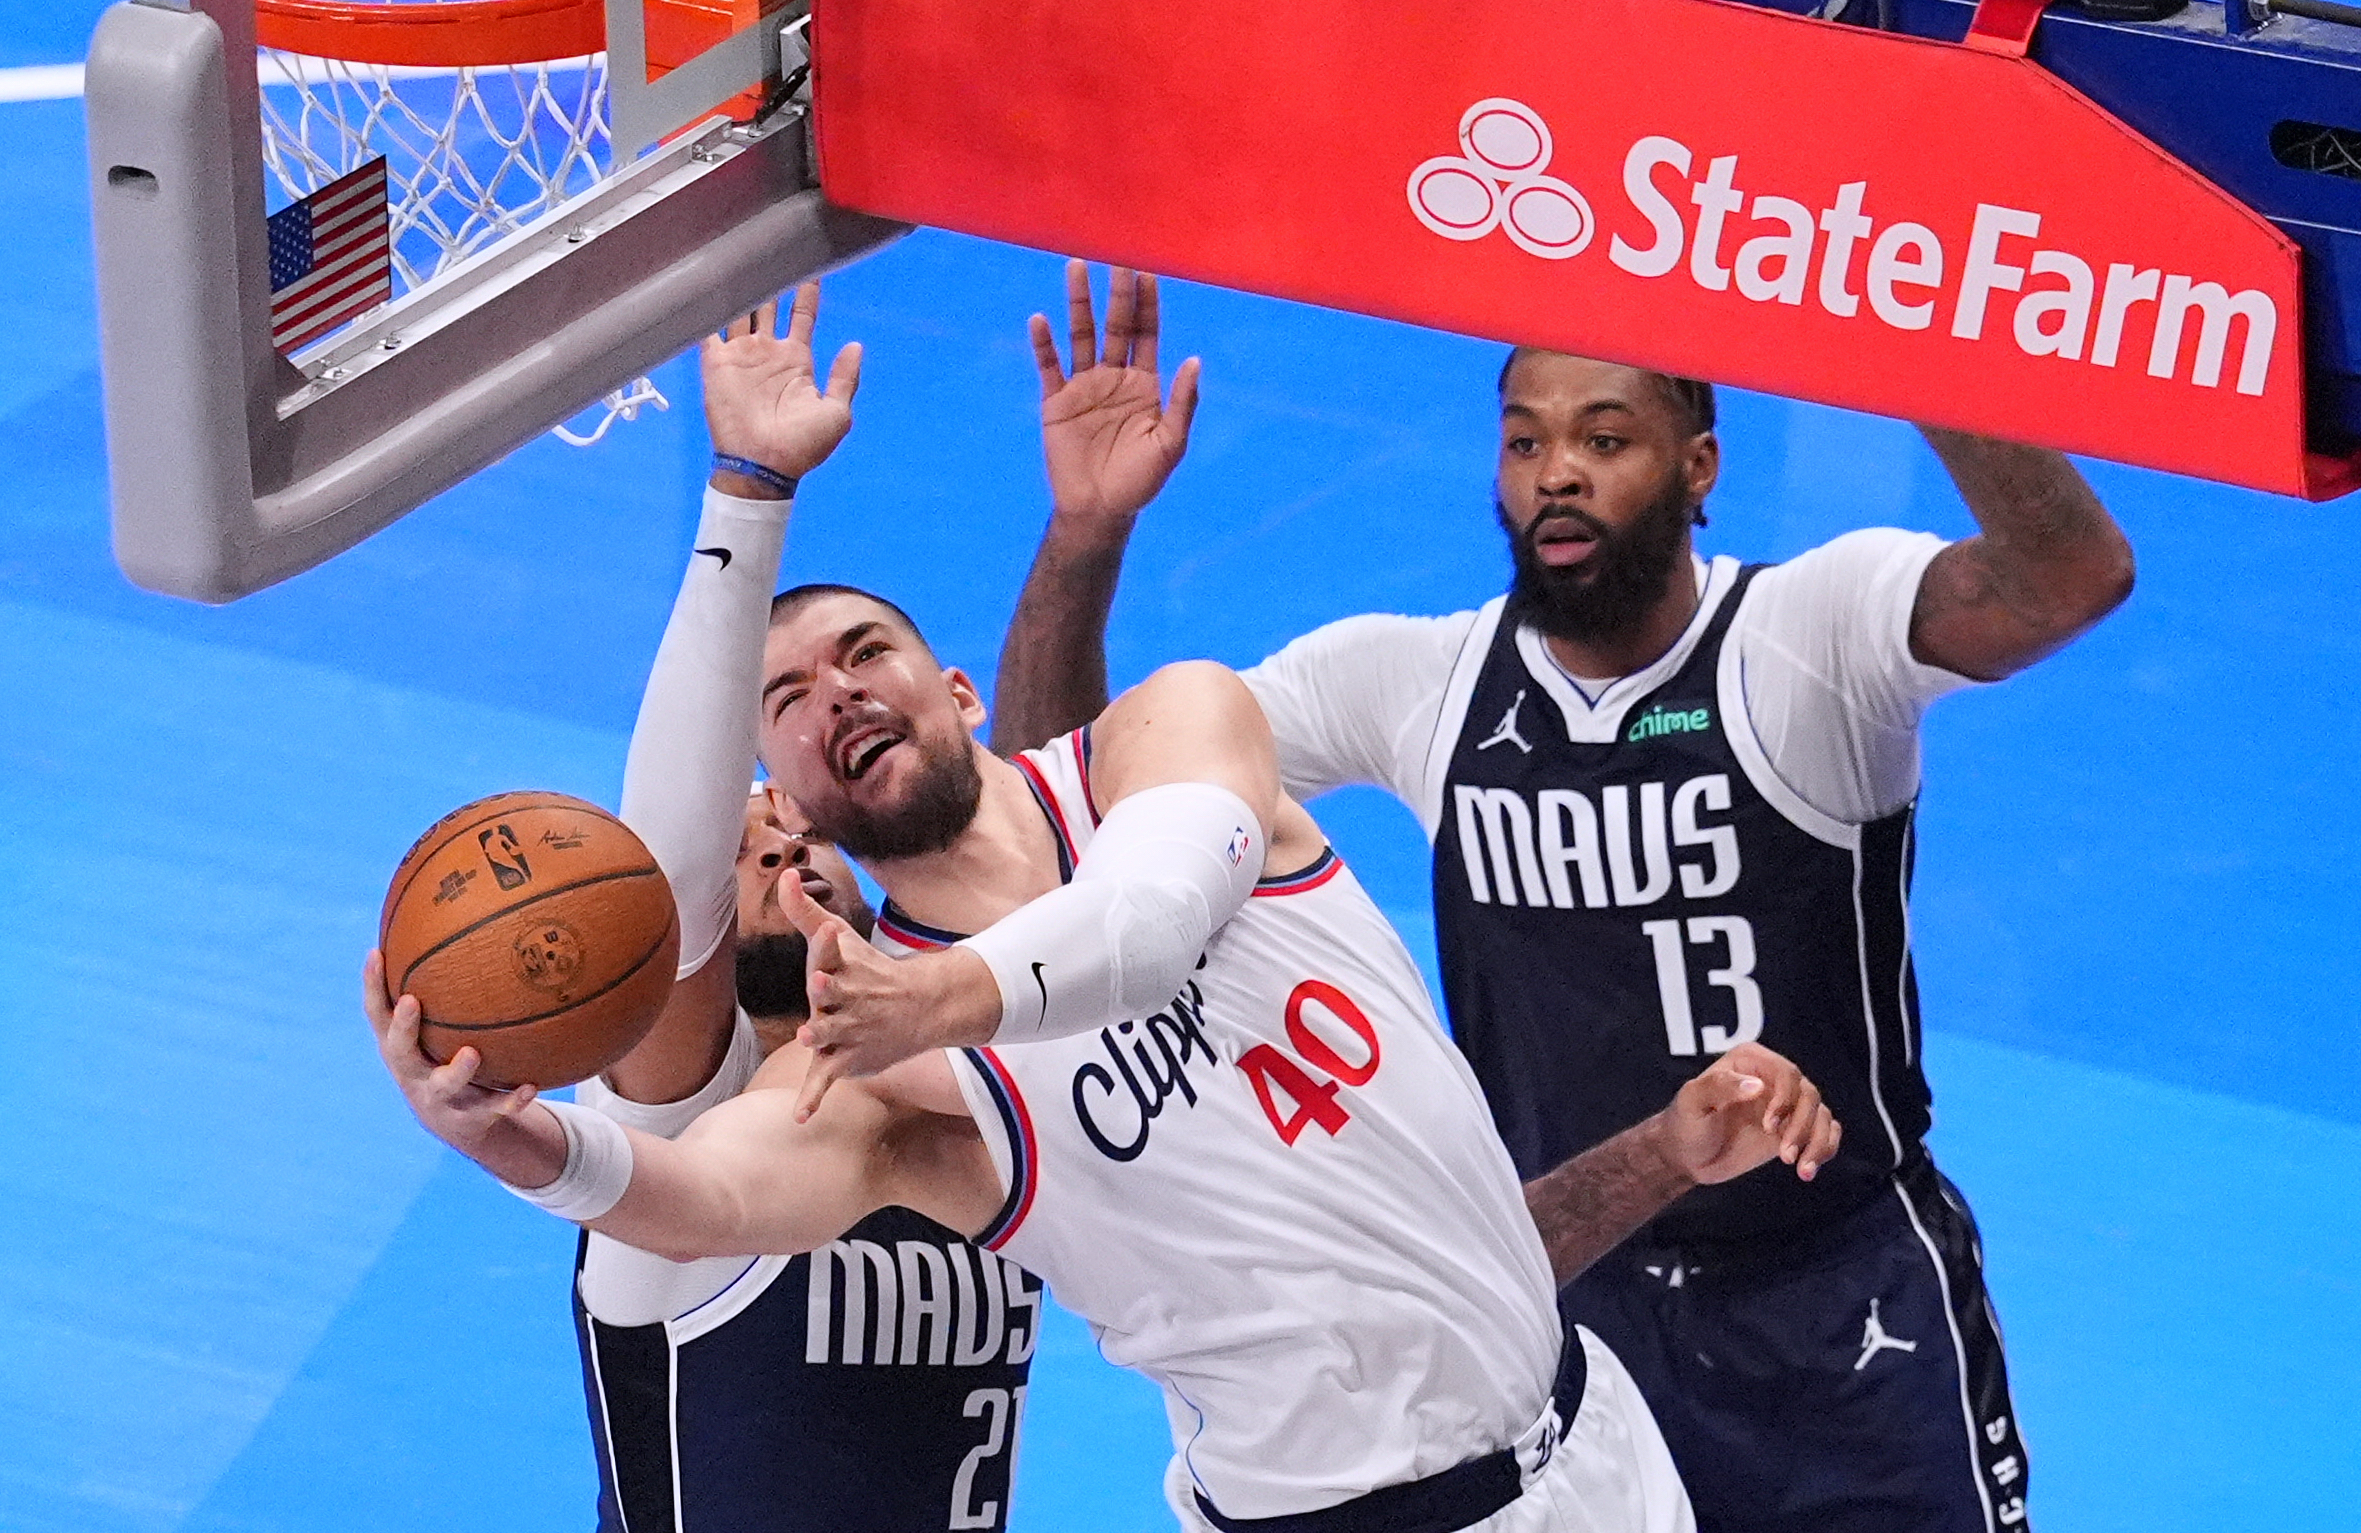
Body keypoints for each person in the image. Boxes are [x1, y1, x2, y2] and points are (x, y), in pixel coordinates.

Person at [364, 285, 1845, 1533]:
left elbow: (1159, 922)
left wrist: (1657, 1151)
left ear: (954, 689)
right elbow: (693, 1188)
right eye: (787, 709)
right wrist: (498, 1132)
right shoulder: (890, 1092)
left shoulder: (1172, 734)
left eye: (864, 652)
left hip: (1599, 1452)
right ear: (789, 804)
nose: (835, 698)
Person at [991, 263, 2137, 1533]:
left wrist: (1917, 349)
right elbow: (1075, 814)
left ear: (1699, 465)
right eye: (1526, 439)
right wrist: (1084, 537)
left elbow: (2067, 579)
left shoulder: (1811, 631)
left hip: (1836, 1300)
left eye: (1605, 438)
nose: (1558, 474)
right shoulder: (1418, 679)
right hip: (1556, 1305)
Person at [569, 289, 1038, 1533]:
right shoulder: (683, 1142)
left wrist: (1085, 531)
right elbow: (663, 880)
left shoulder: (972, 1087)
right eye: (746, 845)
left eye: (795, 823)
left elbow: (1043, 860)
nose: (777, 839)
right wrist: (745, 492)